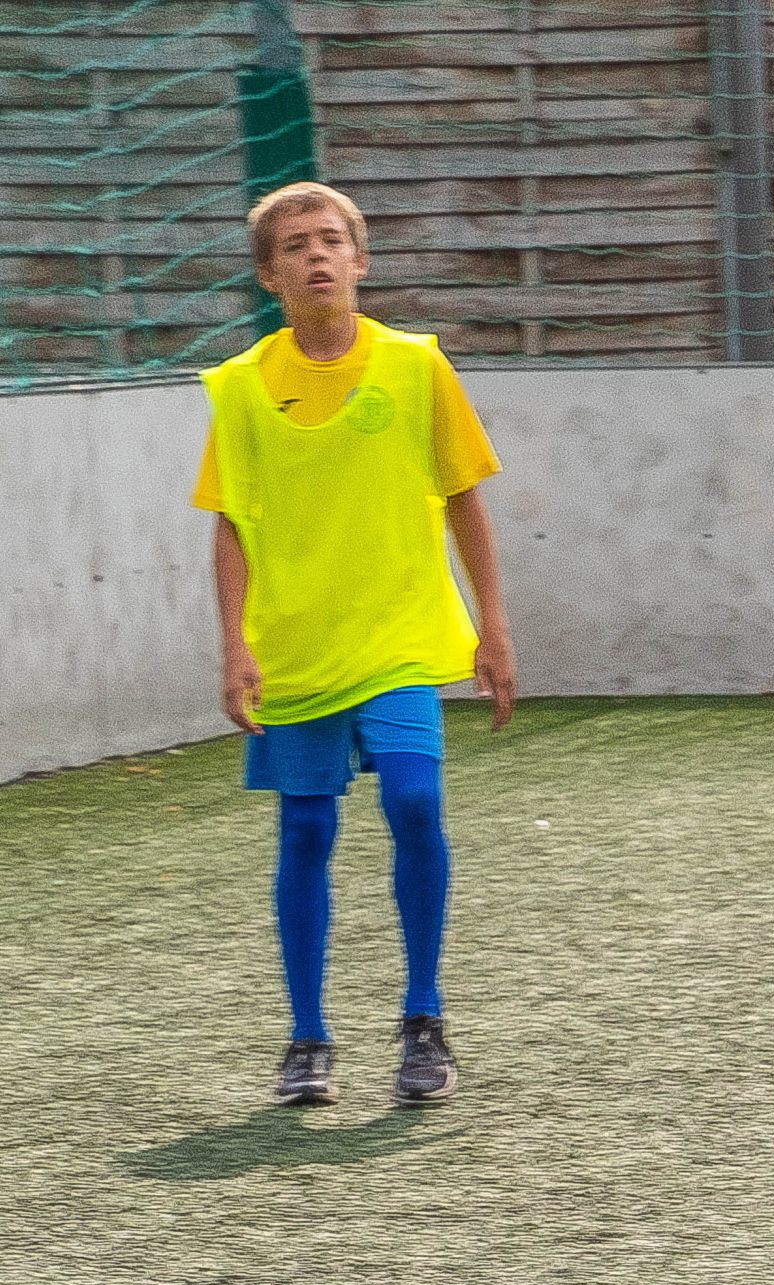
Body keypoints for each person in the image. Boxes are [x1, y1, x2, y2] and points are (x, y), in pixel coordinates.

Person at [194, 179, 515, 1108]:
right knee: (306, 829)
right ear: (269, 276)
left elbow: (465, 497)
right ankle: (307, 1038)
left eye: (332, 240)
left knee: (415, 801)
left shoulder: (416, 369)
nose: (317, 256)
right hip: (297, 648)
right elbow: (229, 526)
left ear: (361, 261)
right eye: (295, 246)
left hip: (403, 639)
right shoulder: (245, 389)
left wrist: (492, 628)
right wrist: (233, 647)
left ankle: (424, 1018)